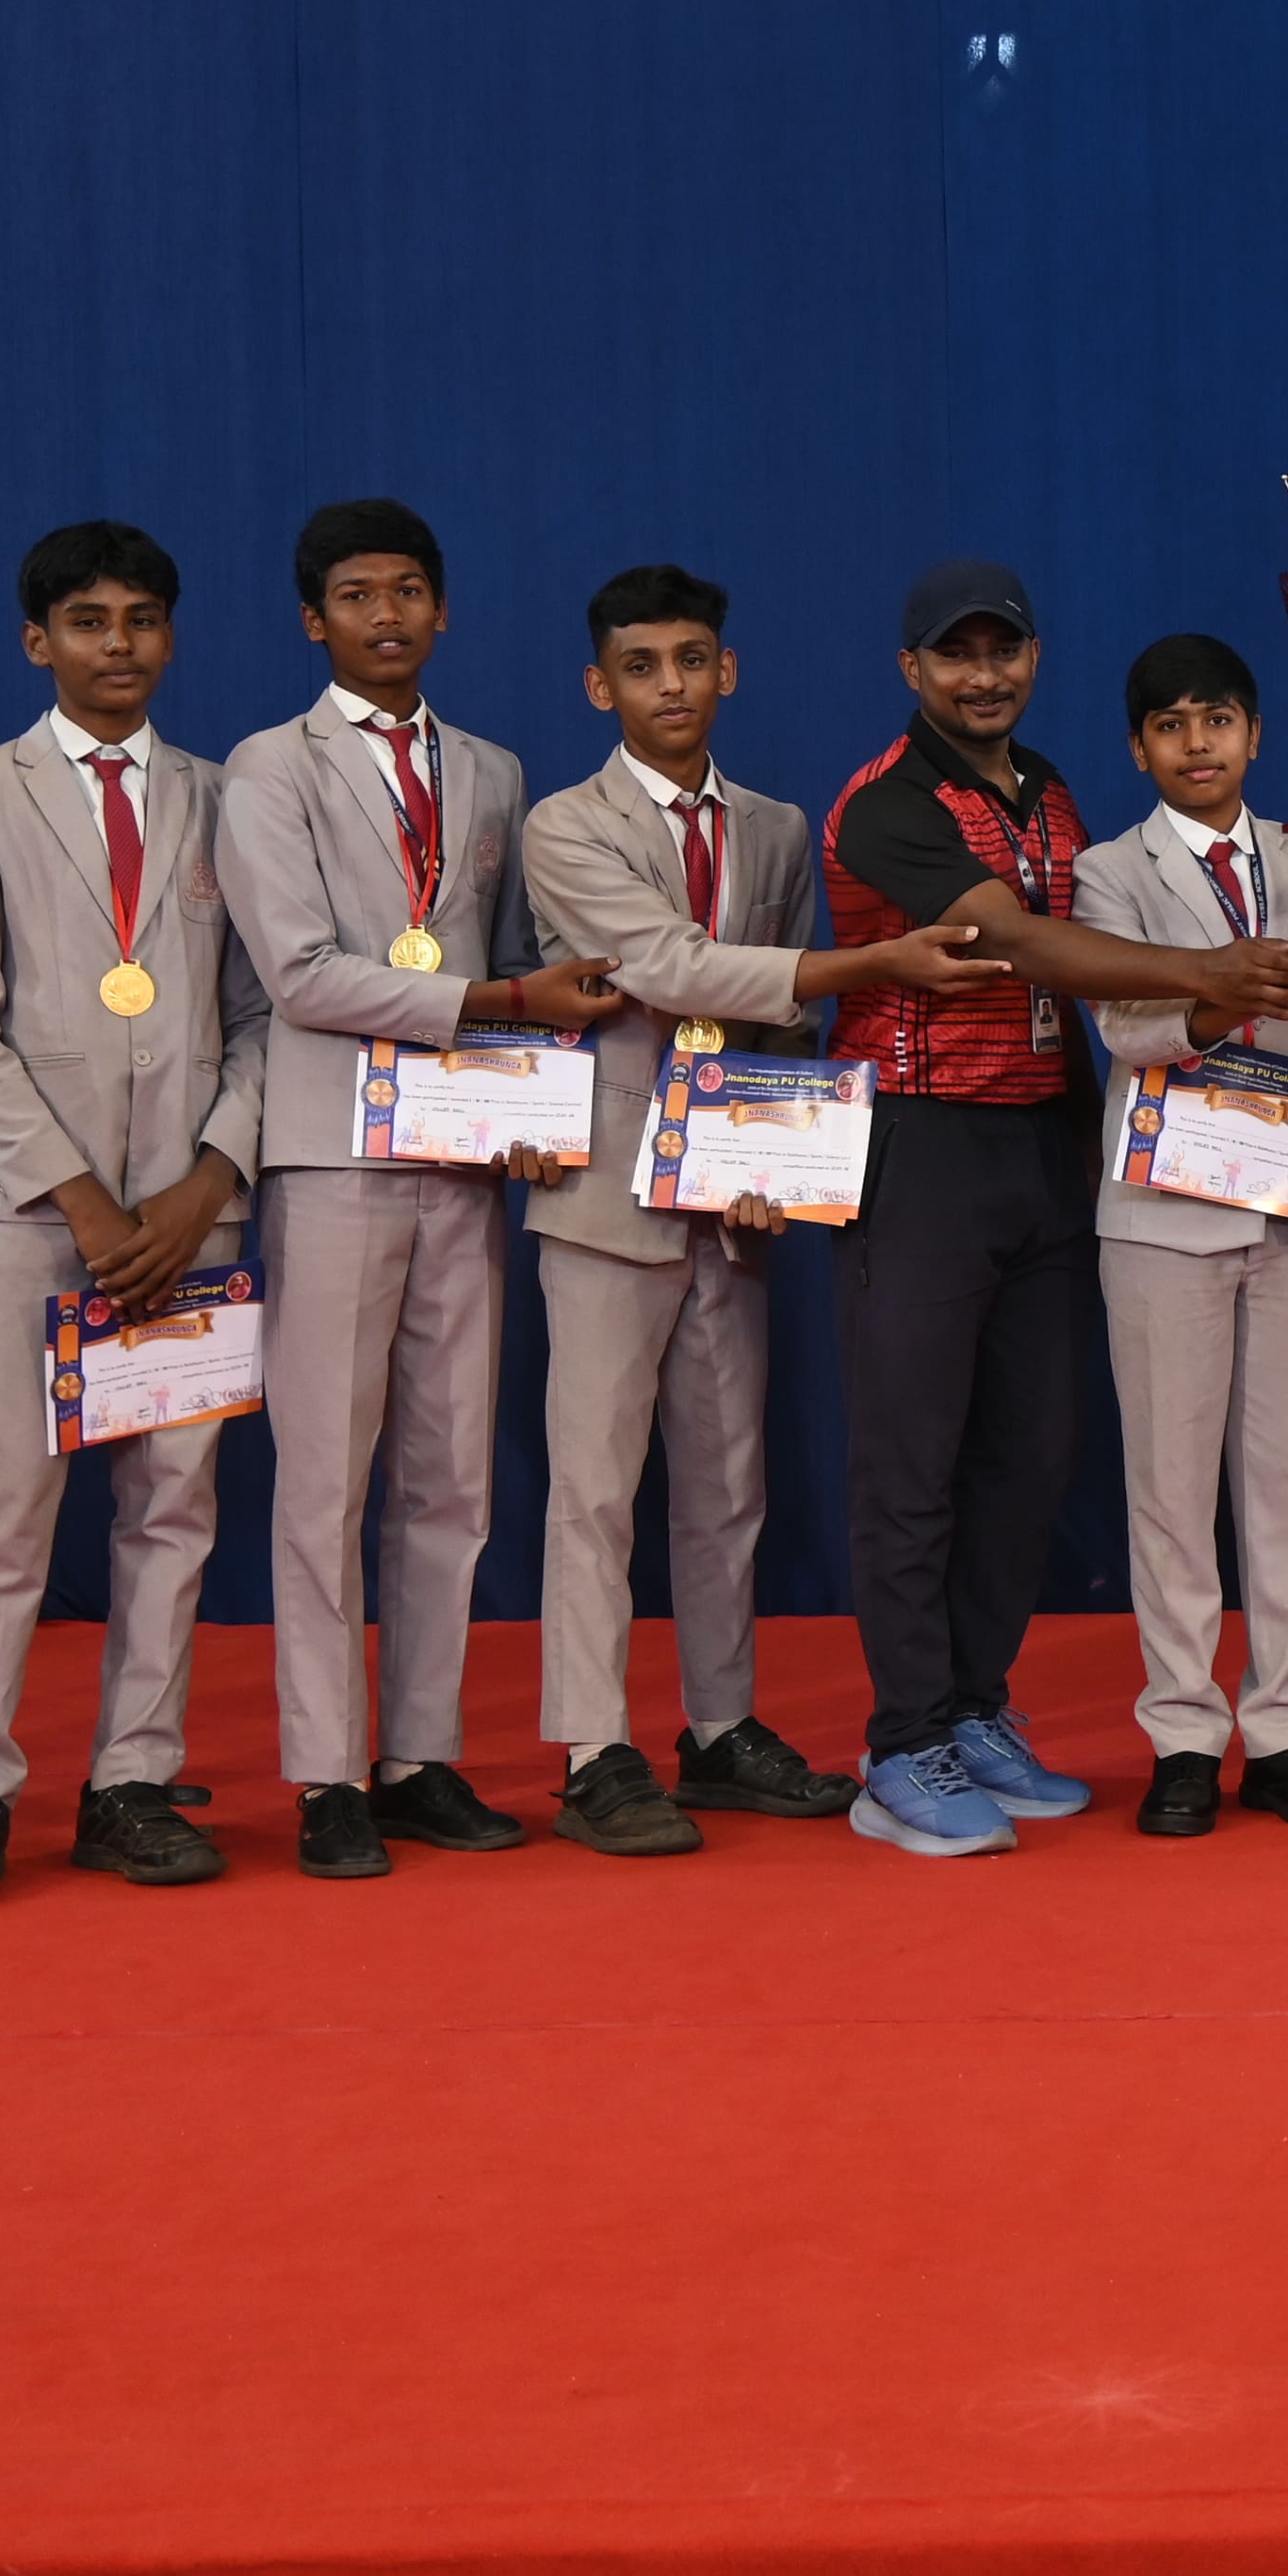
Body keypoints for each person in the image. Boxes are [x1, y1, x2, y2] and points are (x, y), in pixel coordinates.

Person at [821, 559, 1288, 1857]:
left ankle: (973, 1706)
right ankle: (903, 1742)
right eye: (955, 655)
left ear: (1035, 659)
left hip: (1048, 1144)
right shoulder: (886, 802)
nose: (982, 675)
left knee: (1033, 1454)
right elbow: (1025, 943)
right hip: (922, 1141)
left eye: (1003, 651)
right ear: (912, 670)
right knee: (913, 1458)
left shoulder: (1047, 792)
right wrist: (1215, 973)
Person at [519, 564, 997, 1854]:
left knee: (729, 1484)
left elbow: (783, 1027)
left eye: (691, 660)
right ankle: (593, 1748)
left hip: (736, 1195)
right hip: (604, 1196)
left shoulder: (780, 828)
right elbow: (673, 971)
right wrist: (875, 961)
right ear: (600, 686)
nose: (669, 686)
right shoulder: (564, 825)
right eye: (640, 666)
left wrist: (781, 1163)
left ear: (726, 670)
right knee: (595, 1488)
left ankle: (721, 1727)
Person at [217, 499, 615, 1885]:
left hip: (462, 1152)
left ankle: (420, 1757)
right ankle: (328, 1771)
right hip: (331, 1153)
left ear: (442, 610)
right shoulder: (269, 767)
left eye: (406, 591)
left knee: (453, 1476)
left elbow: (512, 960)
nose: (384, 614)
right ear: (311, 620)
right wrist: (500, 1004)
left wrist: (531, 1094)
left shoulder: (492, 772)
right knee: (326, 1475)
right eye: (354, 594)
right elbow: (300, 975)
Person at [0, 520, 269, 1911]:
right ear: (36, 641)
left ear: (171, 635)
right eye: (90, 622)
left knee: (174, 1508)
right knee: (4, 1508)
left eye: (143, 619)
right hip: (36, 1215)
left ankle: (133, 1781)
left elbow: (266, 1014)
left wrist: (209, 1179)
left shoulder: (228, 797)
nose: (120, 645)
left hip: (189, 1218)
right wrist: (82, 1201)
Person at [1070, 632, 1288, 1839]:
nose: (1195, 743)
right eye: (1169, 725)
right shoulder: (1111, 871)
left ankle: (1287, 1731)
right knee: (1169, 1485)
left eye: (1216, 719)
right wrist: (1228, 988)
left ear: (1256, 735)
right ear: (1138, 748)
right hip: (1162, 1215)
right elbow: (1126, 1026)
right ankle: (1183, 1735)